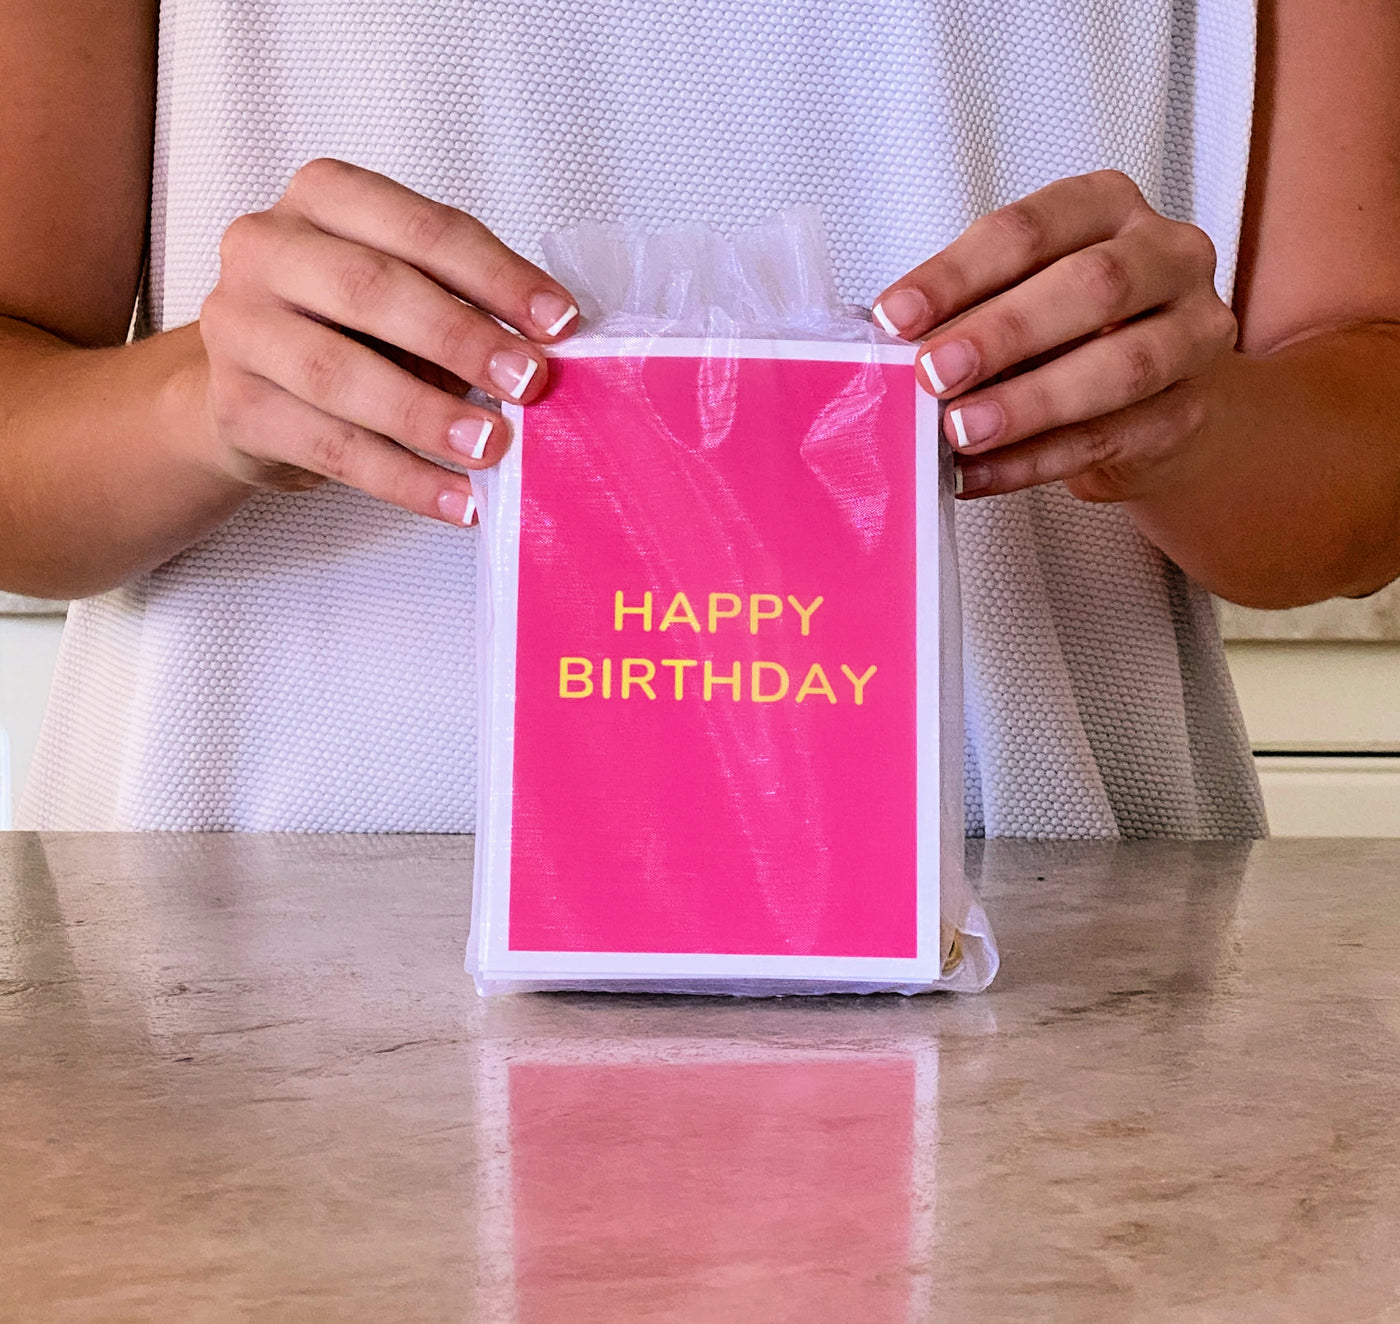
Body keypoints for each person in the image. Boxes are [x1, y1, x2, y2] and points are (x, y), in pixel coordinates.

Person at [2, 0, 1397, 835]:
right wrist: (204, 397)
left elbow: (1361, 454)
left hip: (1043, 972)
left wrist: (1176, 418)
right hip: (252, 979)